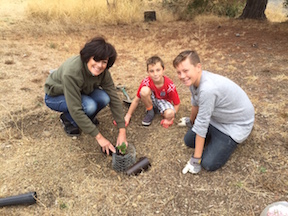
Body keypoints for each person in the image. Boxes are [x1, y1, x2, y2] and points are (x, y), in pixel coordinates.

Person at [173, 50, 254, 174]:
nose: (182, 76)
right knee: (189, 141)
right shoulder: (193, 80)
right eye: (179, 72)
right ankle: (212, 137)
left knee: (208, 163)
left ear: (198, 67)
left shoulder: (208, 89)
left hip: (235, 125)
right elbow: (195, 103)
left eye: (185, 70)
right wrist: (191, 122)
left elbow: (202, 124)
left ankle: (224, 141)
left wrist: (196, 160)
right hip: (217, 118)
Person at [44, 36, 127, 155]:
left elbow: (114, 98)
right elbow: (76, 109)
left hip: (79, 91)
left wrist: (122, 131)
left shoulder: (103, 73)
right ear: (88, 57)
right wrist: (99, 137)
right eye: (96, 60)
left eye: (104, 62)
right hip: (55, 96)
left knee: (105, 98)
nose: (99, 65)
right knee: (89, 105)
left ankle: (85, 120)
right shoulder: (72, 72)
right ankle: (68, 119)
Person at [124, 56, 180, 128]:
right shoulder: (146, 82)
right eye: (151, 71)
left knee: (169, 113)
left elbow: (177, 103)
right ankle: (150, 112)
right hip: (151, 99)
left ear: (163, 69)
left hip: (163, 101)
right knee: (144, 91)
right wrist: (128, 115)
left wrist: (171, 118)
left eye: (158, 70)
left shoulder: (170, 85)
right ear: (148, 72)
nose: (155, 74)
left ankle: (158, 110)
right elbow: (136, 100)